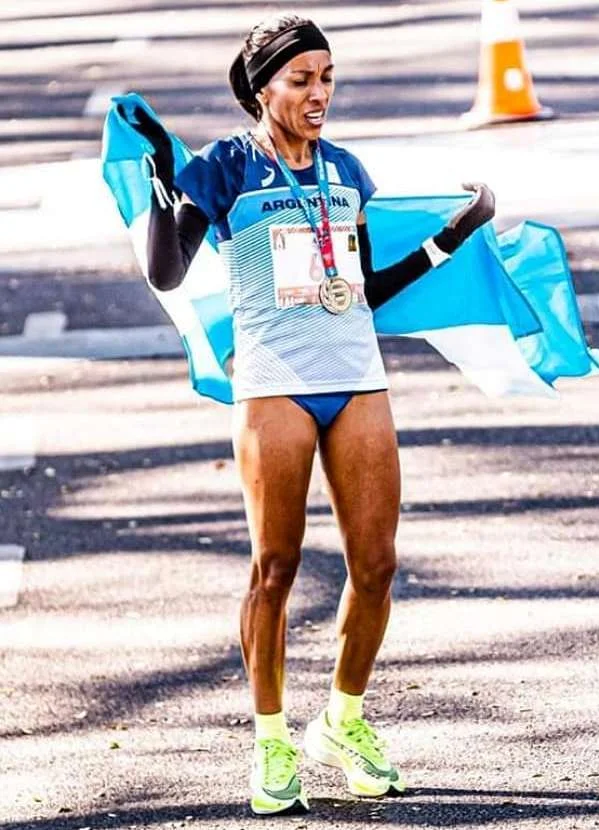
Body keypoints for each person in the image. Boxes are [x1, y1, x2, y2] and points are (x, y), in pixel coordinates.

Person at [129, 12, 495, 816]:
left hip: (356, 376)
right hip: (274, 384)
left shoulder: (346, 172)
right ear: (264, 88)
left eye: (327, 77)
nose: (319, 93)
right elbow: (164, 267)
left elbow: (363, 287)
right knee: (275, 568)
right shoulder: (226, 167)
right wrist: (163, 171)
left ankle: (343, 719)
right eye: (302, 80)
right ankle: (269, 741)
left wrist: (451, 239)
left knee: (377, 566)